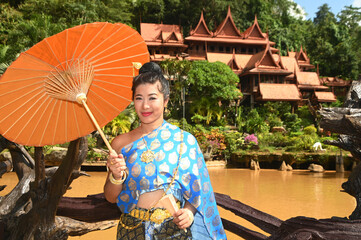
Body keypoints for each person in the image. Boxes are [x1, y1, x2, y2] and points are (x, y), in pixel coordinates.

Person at [104, 62, 226, 240]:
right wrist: (115, 176)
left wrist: (189, 212)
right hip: (132, 229)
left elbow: (199, 192)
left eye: (152, 98)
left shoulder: (185, 141)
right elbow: (110, 197)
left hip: (173, 230)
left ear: (165, 100)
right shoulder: (120, 144)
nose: (145, 106)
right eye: (139, 98)